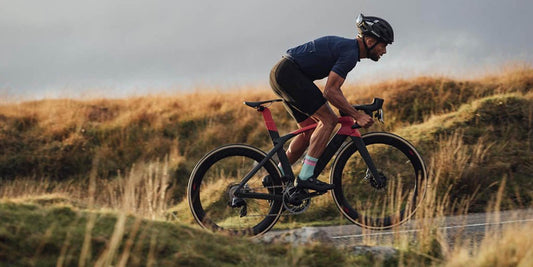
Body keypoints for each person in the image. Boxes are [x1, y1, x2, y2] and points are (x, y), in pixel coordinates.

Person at [269, 13, 394, 191]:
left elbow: (335, 91)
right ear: (370, 40)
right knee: (328, 120)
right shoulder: (350, 53)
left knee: (310, 130)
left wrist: (351, 109)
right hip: (290, 74)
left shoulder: (347, 49)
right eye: (383, 45)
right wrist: (356, 115)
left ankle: (276, 176)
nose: (384, 51)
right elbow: (330, 91)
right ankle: (305, 177)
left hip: (281, 73)